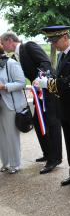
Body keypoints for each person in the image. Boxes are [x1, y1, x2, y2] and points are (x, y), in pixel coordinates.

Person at [34, 25, 70, 188]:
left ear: (65, 37)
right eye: (51, 41)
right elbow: (60, 77)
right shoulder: (62, 55)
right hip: (64, 107)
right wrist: (46, 79)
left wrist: (49, 83)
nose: (53, 44)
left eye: (55, 40)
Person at [0, 32, 62, 174]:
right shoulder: (14, 56)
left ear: (10, 40)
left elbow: (45, 63)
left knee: (52, 123)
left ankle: (55, 158)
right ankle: (47, 153)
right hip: (37, 92)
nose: (2, 46)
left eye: (2, 43)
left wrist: (41, 79)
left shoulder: (28, 46)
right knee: (38, 121)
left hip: (48, 89)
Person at [0, 44, 26, 174]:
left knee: (11, 135)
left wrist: (4, 86)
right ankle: (5, 163)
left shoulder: (11, 64)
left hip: (9, 104)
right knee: (1, 136)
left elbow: (21, 83)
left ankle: (15, 164)